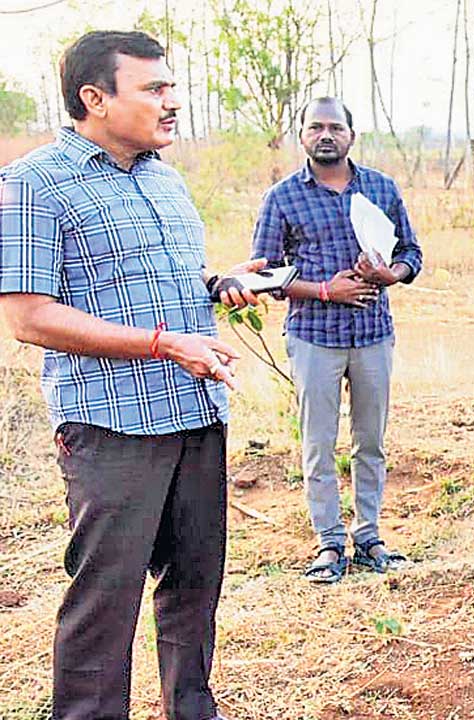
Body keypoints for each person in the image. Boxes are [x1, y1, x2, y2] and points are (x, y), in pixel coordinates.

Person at [0, 30, 266, 720]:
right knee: (104, 601)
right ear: (94, 98)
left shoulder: (164, 177)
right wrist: (159, 343)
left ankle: (192, 709)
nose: (172, 102)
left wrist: (219, 283)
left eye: (171, 86)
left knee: (193, 588)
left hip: (196, 413)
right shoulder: (35, 183)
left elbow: (151, 282)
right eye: (153, 89)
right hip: (112, 426)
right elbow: (29, 317)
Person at [251, 97, 422, 583]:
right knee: (319, 444)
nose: (326, 135)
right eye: (315, 127)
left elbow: (413, 252)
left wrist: (390, 273)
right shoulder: (282, 197)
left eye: (335, 127)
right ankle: (329, 542)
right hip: (314, 336)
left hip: (372, 334)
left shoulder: (381, 189)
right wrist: (326, 289)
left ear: (352, 134)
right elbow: (264, 275)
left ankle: (369, 536)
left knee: (371, 441)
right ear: (302, 135)